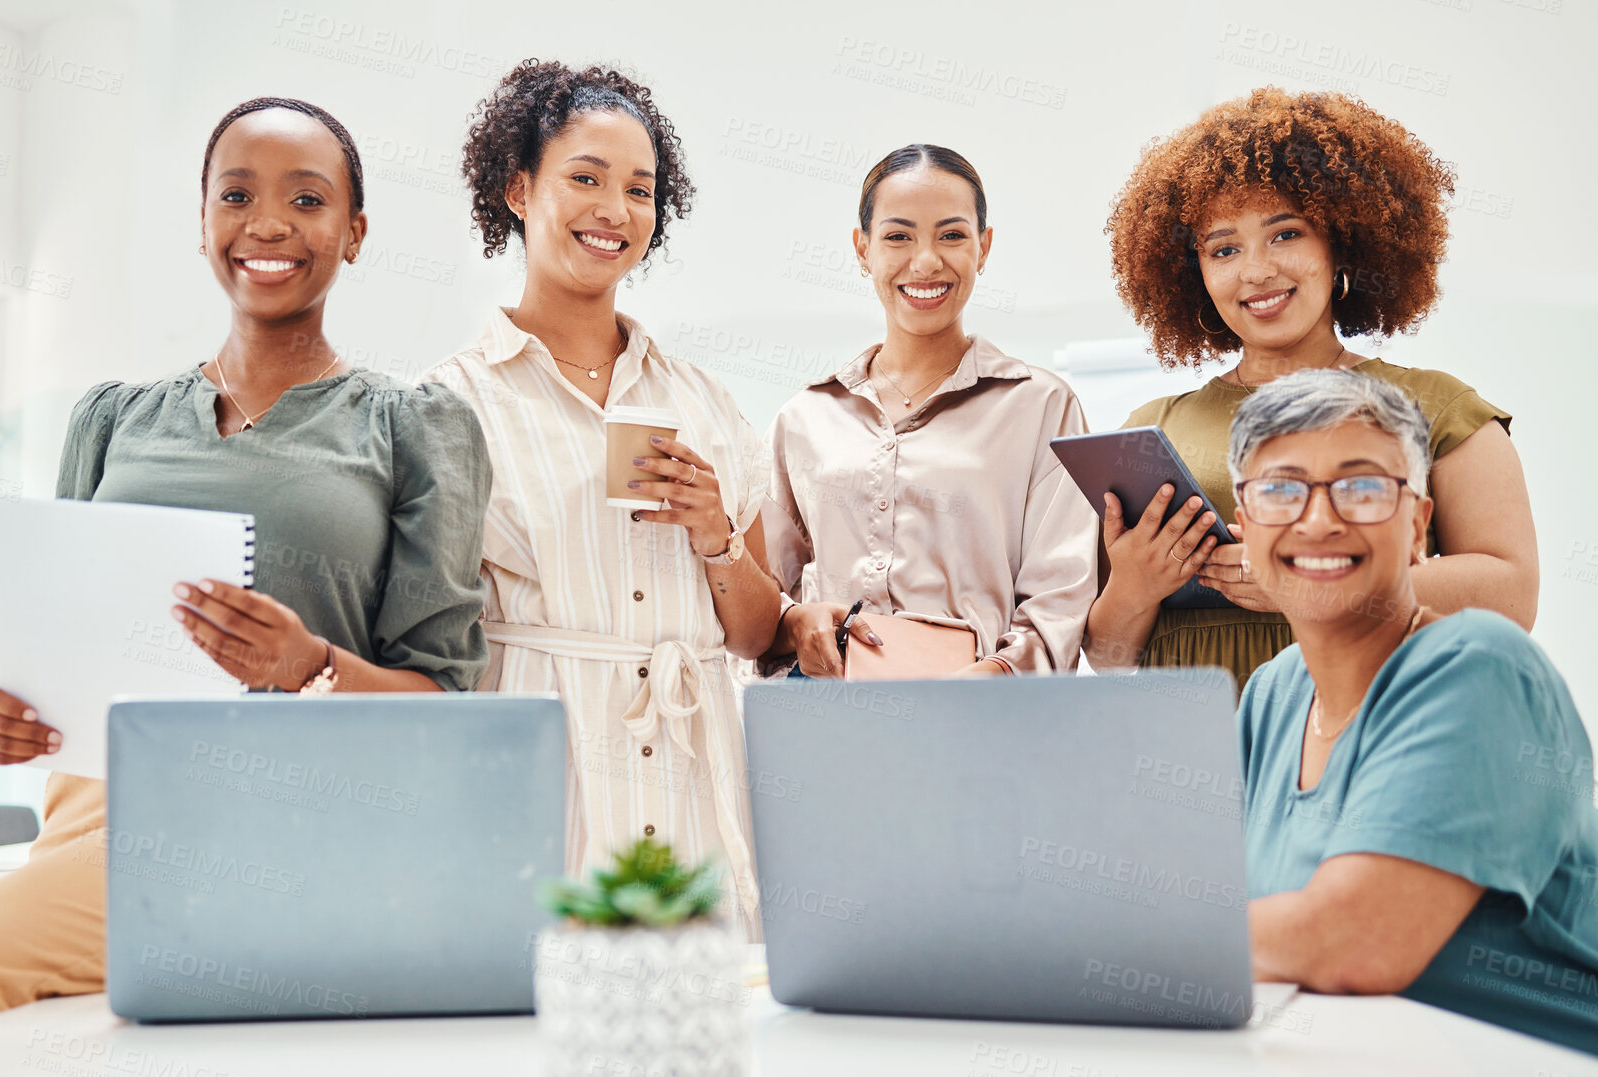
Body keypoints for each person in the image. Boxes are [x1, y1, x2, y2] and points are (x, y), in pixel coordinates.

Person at [0, 97, 491, 1040]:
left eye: (307, 199)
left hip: (293, 817)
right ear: (203, 222)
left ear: (355, 233)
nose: (267, 224)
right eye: (236, 195)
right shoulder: (113, 419)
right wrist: (2, 718)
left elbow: (445, 705)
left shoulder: (413, 427)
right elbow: (58, 659)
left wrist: (311, 667)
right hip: (99, 818)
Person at [427, 61, 780, 926]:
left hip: (694, 775)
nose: (614, 211)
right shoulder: (446, 404)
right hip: (541, 771)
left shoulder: (706, 399)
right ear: (518, 188)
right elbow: (424, 638)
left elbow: (757, 634)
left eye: (640, 189)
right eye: (584, 178)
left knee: (700, 1025)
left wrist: (715, 535)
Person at [1085, 87, 1537, 690]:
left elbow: (1511, 599)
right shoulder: (1154, 430)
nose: (1256, 270)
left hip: (1372, 730)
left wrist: (1317, 584)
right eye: (1224, 249)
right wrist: (1135, 587)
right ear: (1194, 274)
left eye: (1286, 234)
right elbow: (1108, 656)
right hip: (1187, 755)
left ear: (1341, 241)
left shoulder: (1439, 409)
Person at [1232, 369, 1598, 1057]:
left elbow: (1358, 941)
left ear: (1418, 527)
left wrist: (1113, 936)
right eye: (1281, 489)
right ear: (1245, 531)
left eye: (1362, 487)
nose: (1318, 519)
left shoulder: (1479, 666)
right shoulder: (1273, 694)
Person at [763, 145, 1097, 677]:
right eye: (898, 236)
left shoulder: (1043, 406)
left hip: (984, 725)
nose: (925, 261)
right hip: (829, 719)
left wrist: (998, 677)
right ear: (862, 248)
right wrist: (796, 620)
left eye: (952, 235)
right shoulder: (804, 417)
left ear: (983, 248)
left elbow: (1063, 597)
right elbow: (767, 599)